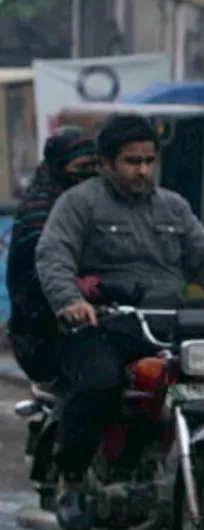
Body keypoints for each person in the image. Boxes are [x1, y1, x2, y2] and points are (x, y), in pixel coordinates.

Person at [36, 113, 204, 530]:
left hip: (166, 326)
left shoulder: (172, 207)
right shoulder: (80, 203)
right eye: (132, 161)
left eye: (149, 160)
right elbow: (53, 255)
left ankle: (202, 470)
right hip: (104, 326)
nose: (143, 170)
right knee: (100, 383)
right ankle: (71, 480)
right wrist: (71, 301)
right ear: (106, 162)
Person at [4, 126, 99, 383]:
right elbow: (42, 266)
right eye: (82, 166)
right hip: (43, 331)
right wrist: (75, 292)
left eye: (96, 164)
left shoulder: (99, 204)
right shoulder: (40, 210)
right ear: (59, 166)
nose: (91, 175)